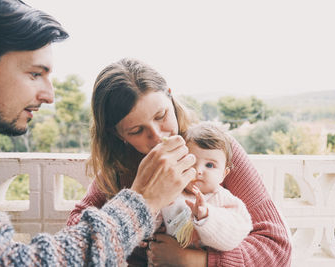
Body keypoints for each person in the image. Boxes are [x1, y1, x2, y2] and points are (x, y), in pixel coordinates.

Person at [0, 1, 196, 266]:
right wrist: (143, 203)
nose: (50, 96)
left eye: (161, 116)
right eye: (35, 74)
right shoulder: (118, 168)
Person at [67, 58, 292, 266]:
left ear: (171, 98)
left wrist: (191, 259)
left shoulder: (214, 151)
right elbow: (75, 230)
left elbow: (276, 246)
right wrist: (128, 220)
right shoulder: (118, 166)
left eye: (161, 116)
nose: (157, 137)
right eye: (136, 130)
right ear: (117, 135)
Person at [160, 121, 252, 252]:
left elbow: (236, 235)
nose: (198, 170)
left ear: (223, 174)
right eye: (191, 162)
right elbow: (150, 219)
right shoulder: (171, 193)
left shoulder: (225, 199)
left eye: (209, 165)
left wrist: (207, 216)